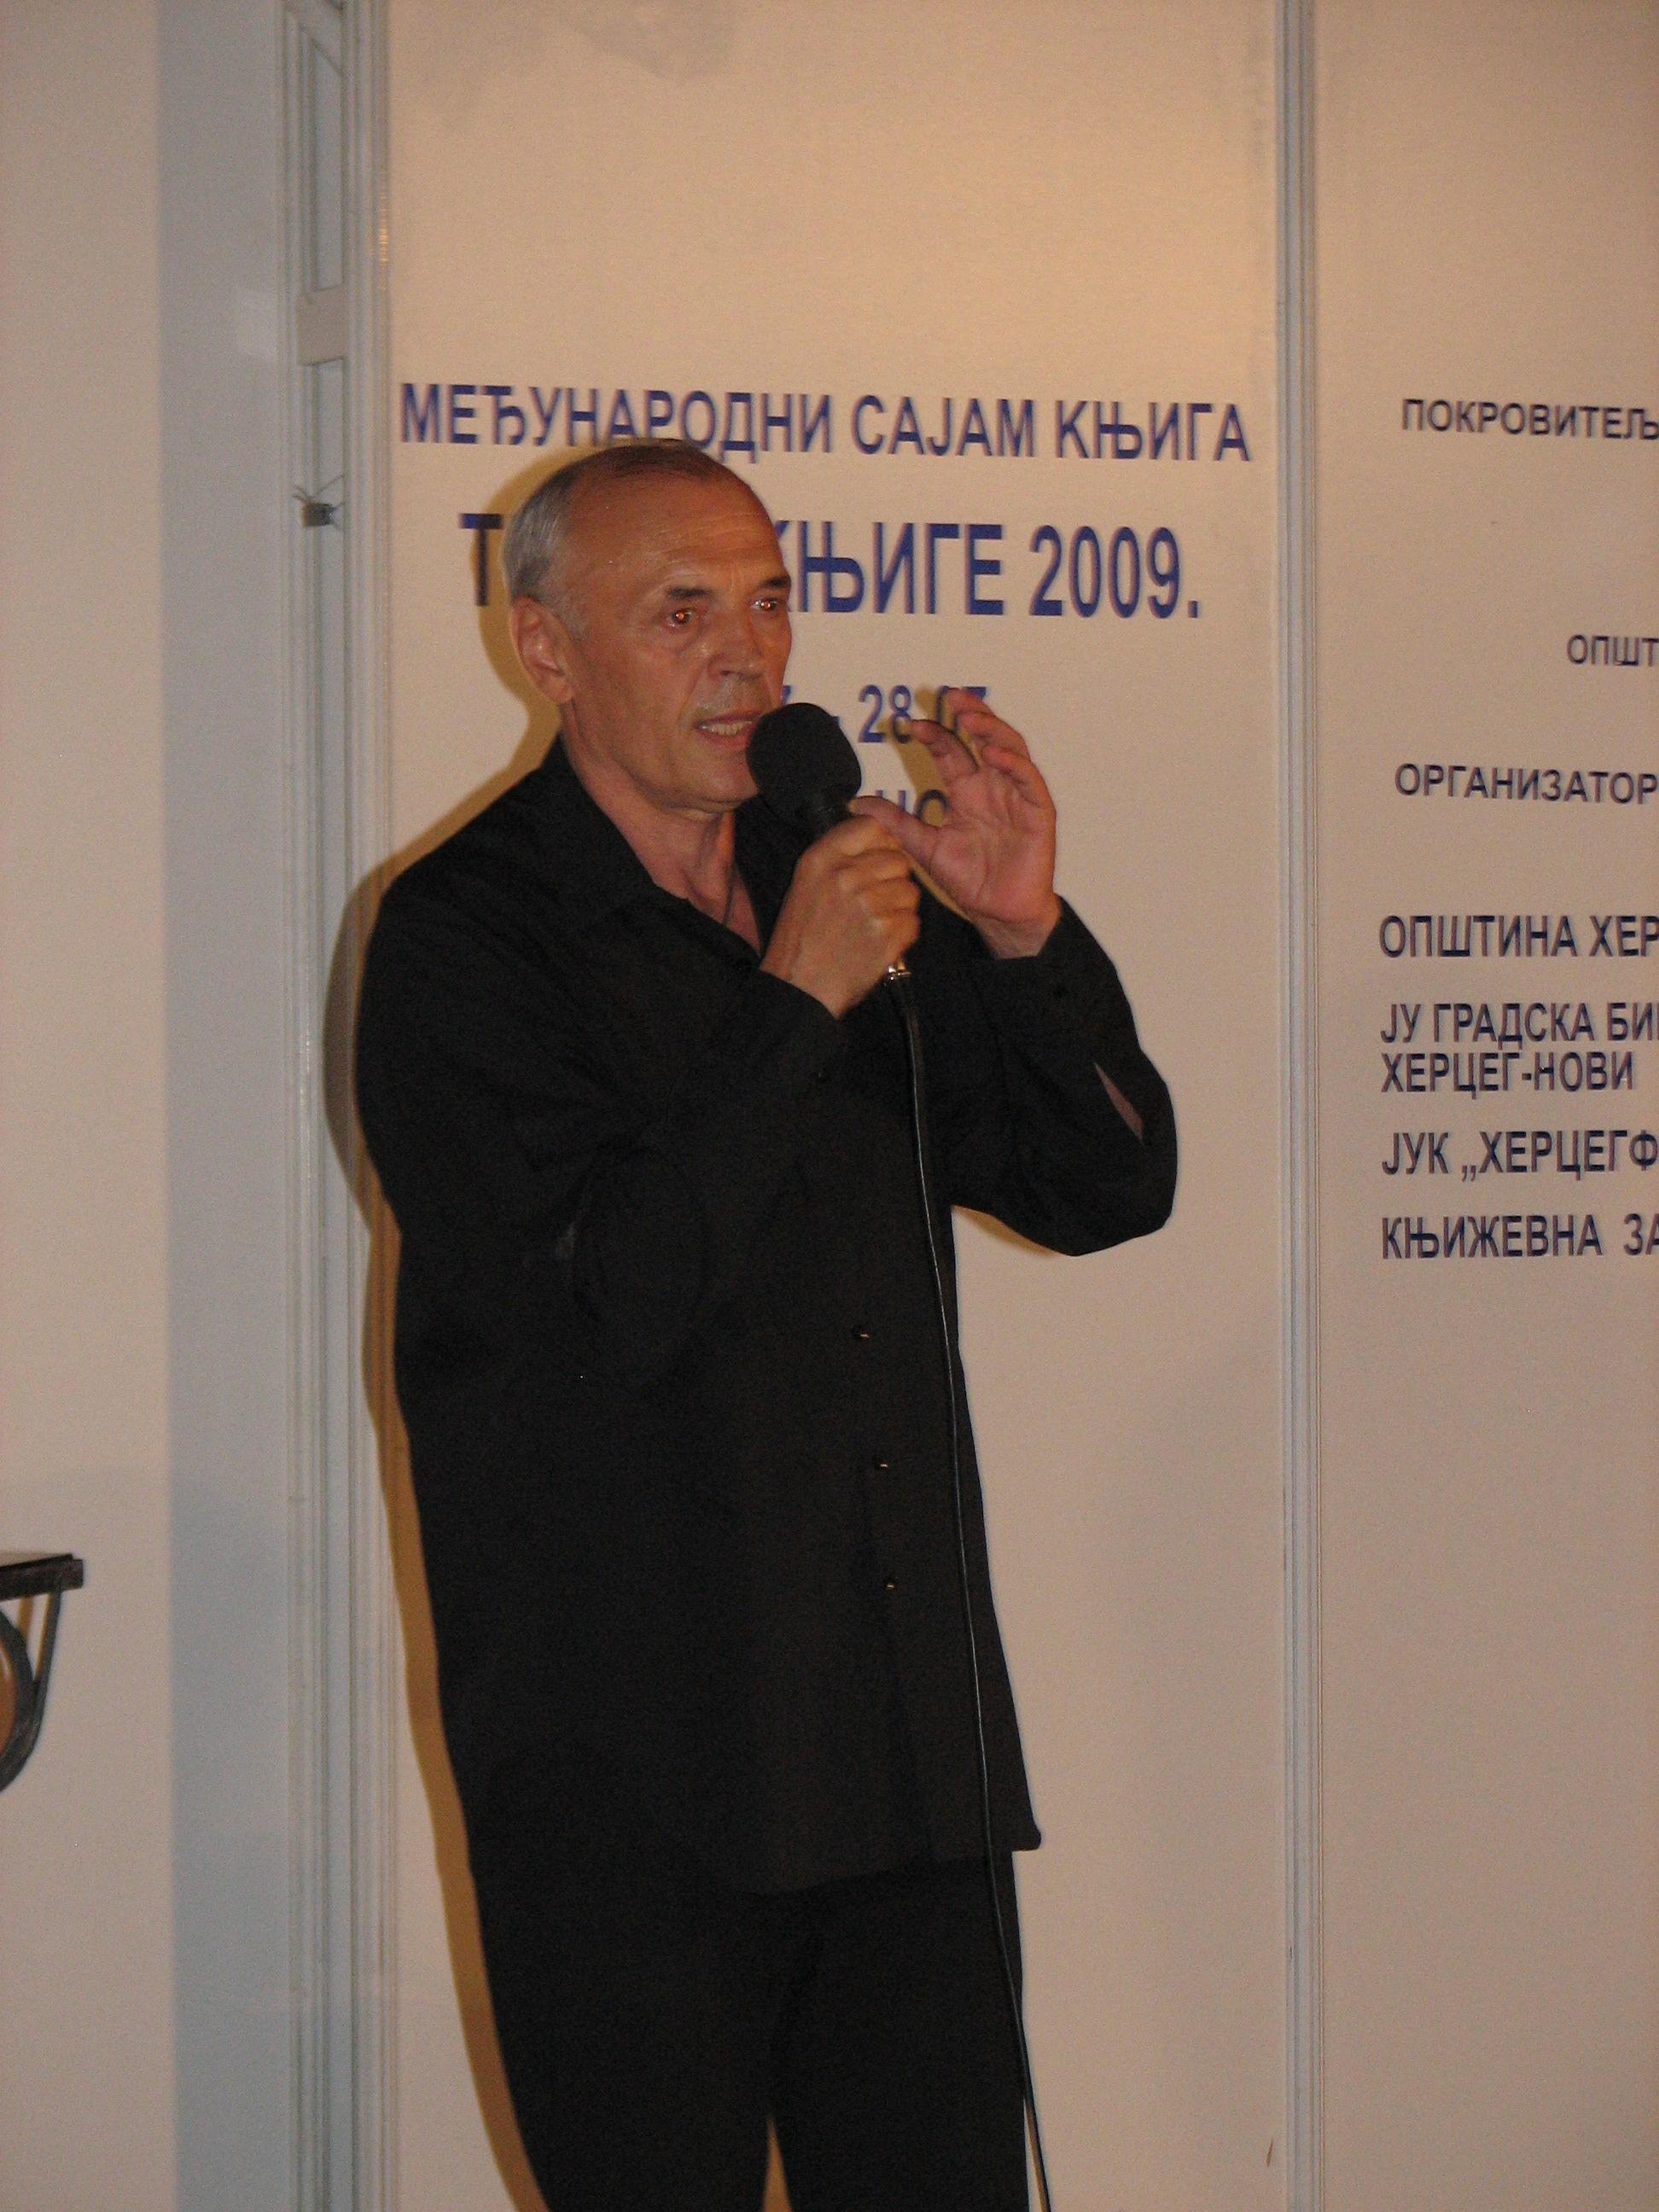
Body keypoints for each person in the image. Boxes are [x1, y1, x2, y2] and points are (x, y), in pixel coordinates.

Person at [354, 440, 1176, 2212]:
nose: (751, 655)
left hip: (899, 1759)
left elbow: (1103, 1185)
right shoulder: (463, 941)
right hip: (636, 1791)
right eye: (683, 613)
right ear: (549, 650)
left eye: (771, 602)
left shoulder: (844, 876)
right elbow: (601, 1303)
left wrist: (1023, 938)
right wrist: (793, 1004)